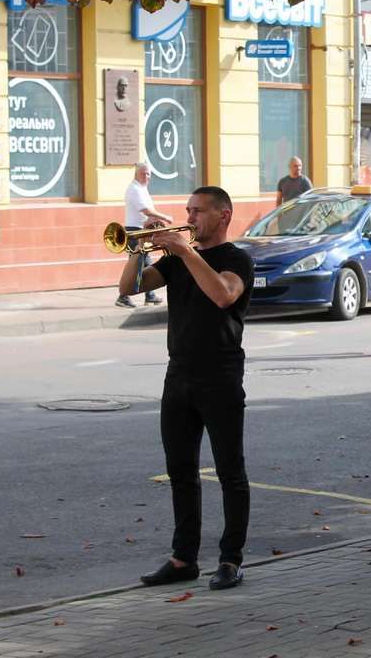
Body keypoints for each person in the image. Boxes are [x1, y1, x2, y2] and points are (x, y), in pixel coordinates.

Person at [124, 186, 254, 592]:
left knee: (230, 471)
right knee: (180, 471)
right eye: (187, 210)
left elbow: (222, 295)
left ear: (223, 216)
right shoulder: (178, 259)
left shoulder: (237, 259)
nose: (189, 217)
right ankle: (184, 558)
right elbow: (129, 287)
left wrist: (184, 251)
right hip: (178, 373)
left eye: (198, 211)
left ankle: (231, 560)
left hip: (220, 373)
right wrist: (136, 247)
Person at [117, 162, 173, 308]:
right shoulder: (135, 189)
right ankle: (124, 297)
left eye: (149, 174)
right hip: (135, 231)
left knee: (143, 262)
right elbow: (146, 210)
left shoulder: (142, 188)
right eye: (144, 173)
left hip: (142, 230)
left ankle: (149, 296)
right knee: (138, 262)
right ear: (136, 173)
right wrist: (165, 217)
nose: (147, 176)